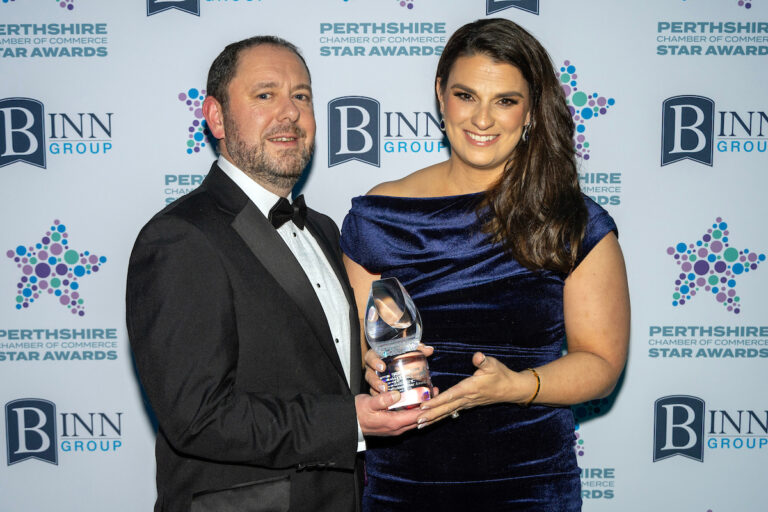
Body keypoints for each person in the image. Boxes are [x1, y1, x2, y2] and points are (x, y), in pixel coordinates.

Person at [340, 19, 630, 511]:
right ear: (440, 94)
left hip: (530, 483)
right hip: (404, 485)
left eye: (506, 101)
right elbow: (371, 349)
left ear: (532, 109)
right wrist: (371, 368)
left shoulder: (571, 221)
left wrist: (516, 387)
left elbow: (601, 363)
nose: (482, 120)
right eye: (466, 95)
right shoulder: (379, 216)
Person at [126, 36, 423, 512]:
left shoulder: (324, 229)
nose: (289, 113)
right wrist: (350, 421)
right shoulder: (181, 237)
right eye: (265, 95)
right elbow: (197, 416)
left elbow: (319, 369)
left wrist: (379, 374)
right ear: (216, 117)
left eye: (301, 96)